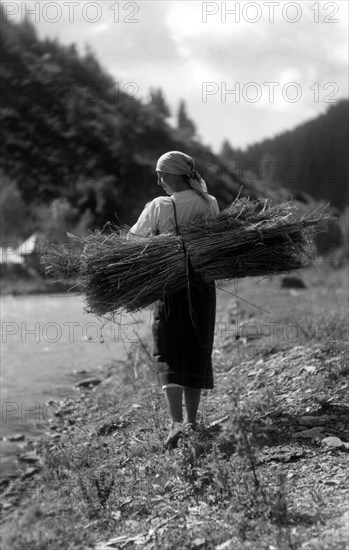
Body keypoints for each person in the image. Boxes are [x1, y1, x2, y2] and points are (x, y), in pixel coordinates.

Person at [129, 151, 219, 448]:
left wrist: (158, 245)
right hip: (202, 287)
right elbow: (217, 242)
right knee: (197, 348)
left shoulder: (158, 206)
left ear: (176, 175)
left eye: (162, 175)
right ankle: (192, 423)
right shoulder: (209, 203)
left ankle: (175, 423)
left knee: (168, 351)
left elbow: (133, 241)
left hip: (170, 287)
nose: (159, 180)